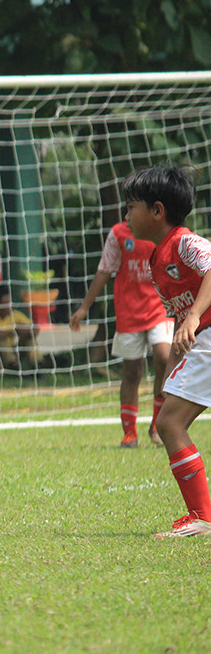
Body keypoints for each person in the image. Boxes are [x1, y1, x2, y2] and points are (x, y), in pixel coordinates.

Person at [121, 164, 211, 537]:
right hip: (202, 341)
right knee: (171, 421)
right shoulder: (158, 261)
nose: (126, 215)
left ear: (157, 211)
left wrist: (193, 316)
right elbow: (178, 320)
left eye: (132, 207)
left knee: (170, 424)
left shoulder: (185, 242)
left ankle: (202, 517)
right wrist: (175, 362)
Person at [69, 220, 172, 448]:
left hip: (160, 308)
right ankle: (129, 433)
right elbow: (104, 269)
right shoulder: (118, 233)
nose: (130, 211)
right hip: (129, 310)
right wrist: (85, 307)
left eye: (135, 204)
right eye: (129, 205)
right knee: (132, 371)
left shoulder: (163, 228)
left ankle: (156, 425)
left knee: (164, 358)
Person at [0, 285, 40, 372]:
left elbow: (36, 329)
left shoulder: (14, 314)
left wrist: (28, 331)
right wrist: (14, 331)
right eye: (6, 303)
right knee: (1, 340)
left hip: (12, 352)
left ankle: (37, 365)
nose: (9, 306)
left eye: (10, 302)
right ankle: (13, 366)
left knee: (30, 338)